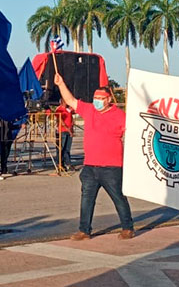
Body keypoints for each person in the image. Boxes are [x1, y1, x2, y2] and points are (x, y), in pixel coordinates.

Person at [53, 73, 135, 241]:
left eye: (100, 97)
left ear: (109, 99)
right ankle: (84, 230)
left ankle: (127, 227)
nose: (96, 100)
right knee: (86, 199)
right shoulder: (89, 110)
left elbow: (134, 134)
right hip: (90, 166)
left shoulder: (120, 115)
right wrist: (61, 84)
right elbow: (71, 101)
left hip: (112, 167)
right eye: (95, 97)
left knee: (119, 198)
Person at [48, 99, 75, 171]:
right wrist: (68, 129)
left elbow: (71, 118)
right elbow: (61, 121)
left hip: (69, 131)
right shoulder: (59, 109)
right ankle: (60, 164)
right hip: (62, 131)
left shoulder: (68, 110)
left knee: (67, 148)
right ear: (63, 102)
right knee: (61, 148)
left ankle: (67, 163)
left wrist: (71, 127)